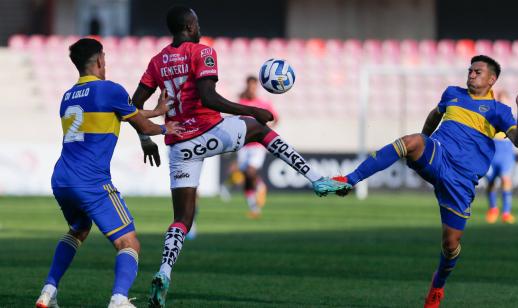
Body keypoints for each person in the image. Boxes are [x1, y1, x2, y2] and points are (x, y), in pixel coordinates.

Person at [129, 6, 351, 307]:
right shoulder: (202, 52)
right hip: (209, 131)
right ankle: (318, 180)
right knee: (258, 129)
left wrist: (146, 138)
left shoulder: (157, 61)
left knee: (182, 218)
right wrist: (251, 109)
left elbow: (134, 104)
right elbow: (208, 97)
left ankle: (164, 273)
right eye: (197, 21)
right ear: (191, 25)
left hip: (179, 144)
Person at [333, 55, 518, 308]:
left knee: (451, 245)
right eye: (470, 70)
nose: (471, 74)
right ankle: (349, 181)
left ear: (492, 79)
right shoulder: (452, 93)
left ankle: (438, 284)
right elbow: (433, 115)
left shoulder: (499, 111)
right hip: (438, 155)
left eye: (478, 72)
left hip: (461, 181)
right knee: (409, 141)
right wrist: (423, 141)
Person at [35, 38, 181, 308]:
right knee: (129, 242)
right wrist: (164, 128)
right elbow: (143, 126)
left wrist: (157, 111)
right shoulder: (110, 89)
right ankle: (119, 299)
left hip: (62, 178)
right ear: (101, 60)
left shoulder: (67, 96)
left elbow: (122, 112)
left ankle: (48, 290)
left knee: (78, 229)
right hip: (90, 181)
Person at [485, 91, 518, 224]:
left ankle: (506, 213)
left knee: (506, 181)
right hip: (492, 154)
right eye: (499, 100)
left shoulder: (513, 119)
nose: (501, 102)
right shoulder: (490, 117)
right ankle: (493, 209)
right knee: (491, 183)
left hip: (506, 155)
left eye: (503, 100)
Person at [237, 76, 278, 218]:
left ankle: (260, 185)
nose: (252, 88)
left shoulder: (263, 104)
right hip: (244, 145)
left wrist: (266, 130)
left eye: (254, 86)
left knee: (250, 171)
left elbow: (276, 118)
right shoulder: (241, 103)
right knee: (246, 176)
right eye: (250, 86)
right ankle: (254, 207)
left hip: (257, 145)